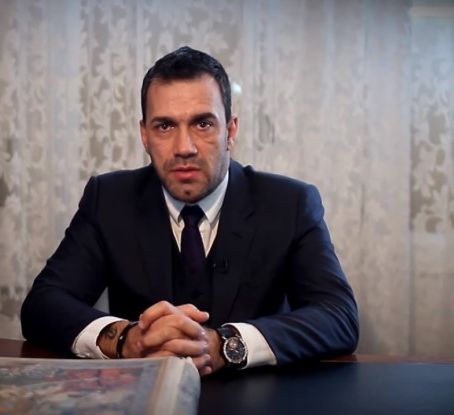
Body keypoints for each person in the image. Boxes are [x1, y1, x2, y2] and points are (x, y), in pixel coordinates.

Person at [20, 46, 359, 376]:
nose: (184, 148)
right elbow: (43, 304)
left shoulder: (290, 204)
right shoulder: (108, 199)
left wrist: (226, 345)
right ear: (144, 135)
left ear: (230, 130)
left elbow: (338, 316)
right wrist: (125, 339)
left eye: (203, 124)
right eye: (165, 126)